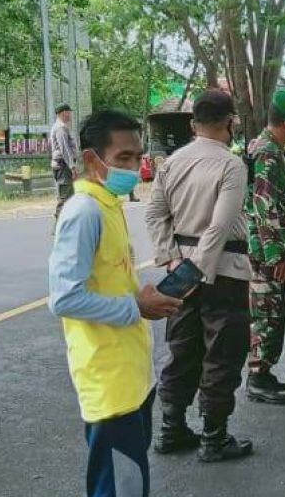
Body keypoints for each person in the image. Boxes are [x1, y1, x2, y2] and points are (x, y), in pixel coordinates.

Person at [48, 110, 183, 497]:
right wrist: (135, 308)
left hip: (132, 372)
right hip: (109, 380)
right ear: (92, 160)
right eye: (123, 158)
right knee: (119, 488)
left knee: (131, 481)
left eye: (137, 157)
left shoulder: (108, 203)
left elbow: (113, 283)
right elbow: (64, 298)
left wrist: (143, 300)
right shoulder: (84, 210)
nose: (133, 166)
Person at [146, 90, 254, 463]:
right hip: (223, 273)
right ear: (230, 122)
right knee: (222, 354)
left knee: (181, 349)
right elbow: (220, 226)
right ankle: (214, 437)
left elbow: (155, 215)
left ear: (193, 124)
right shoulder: (231, 165)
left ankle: (171, 429)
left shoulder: (172, 163)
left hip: (181, 272)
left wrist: (173, 259)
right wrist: (199, 269)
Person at [244, 90, 285, 406]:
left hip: (272, 245)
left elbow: (273, 203)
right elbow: (262, 204)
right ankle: (257, 377)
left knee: (274, 313)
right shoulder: (268, 152)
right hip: (268, 252)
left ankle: (263, 372)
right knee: (268, 314)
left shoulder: (268, 147)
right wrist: (277, 255)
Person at [50, 104, 79, 218]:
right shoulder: (60, 128)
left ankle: (64, 225)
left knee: (69, 197)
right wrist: (72, 167)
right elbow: (65, 149)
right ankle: (58, 227)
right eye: (69, 112)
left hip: (63, 165)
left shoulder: (61, 127)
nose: (70, 114)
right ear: (63, 113)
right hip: (63, 166)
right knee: (65, 197)